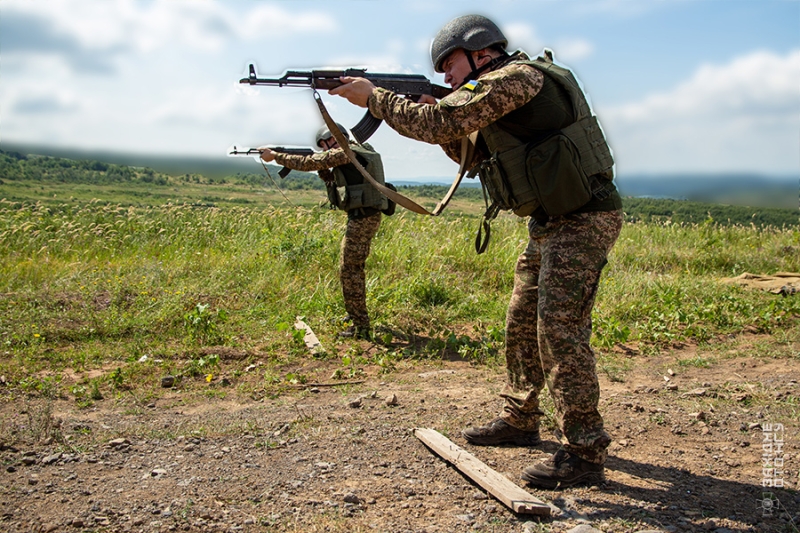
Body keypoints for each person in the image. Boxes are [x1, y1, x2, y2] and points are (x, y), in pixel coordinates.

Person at [329, 14, 623, 489]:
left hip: (585, 218)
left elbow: (440, 120)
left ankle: (585, 452)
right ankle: (521, 418)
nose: (446, 78)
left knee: (558, 327)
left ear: (480, 51)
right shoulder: (494, 93)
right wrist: (439, 120)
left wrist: (375, 99)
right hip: (550, 220)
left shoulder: (518, 78)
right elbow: (475, 158)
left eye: (450, 65)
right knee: (520, 317)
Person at [258, 124, 388, 340]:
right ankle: (355, 313)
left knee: (350, 269)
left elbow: (309, 162)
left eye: (328, 142)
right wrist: (324, 171)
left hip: (362, 216)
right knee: (350, 267)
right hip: (363, 215)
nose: (327, 147)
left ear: (339, 137)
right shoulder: (360, 149)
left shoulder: (347, 151)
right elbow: (334, 180)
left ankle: (360, 324)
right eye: (323, 145)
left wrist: (277, 156)